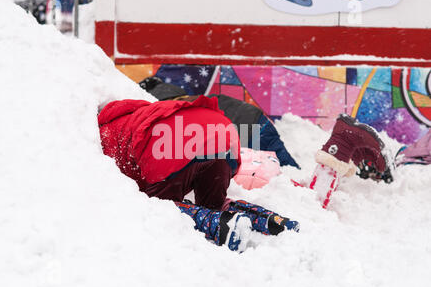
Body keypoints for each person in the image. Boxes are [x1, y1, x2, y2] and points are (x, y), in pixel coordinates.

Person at [98, 94, 387, 252]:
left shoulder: (108, 135)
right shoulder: (148, 108)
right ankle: (271, 222)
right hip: (227, 133)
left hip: (218, 145)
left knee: (161, 207)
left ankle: (225, 227)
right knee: (215, 201)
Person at [139, 76, 300, 169]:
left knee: (271, 173)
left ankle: (303, 197)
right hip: (256, 118)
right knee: (286, 168)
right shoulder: (187, 97)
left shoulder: (165, 106)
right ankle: (307, 193)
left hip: (242, 130)